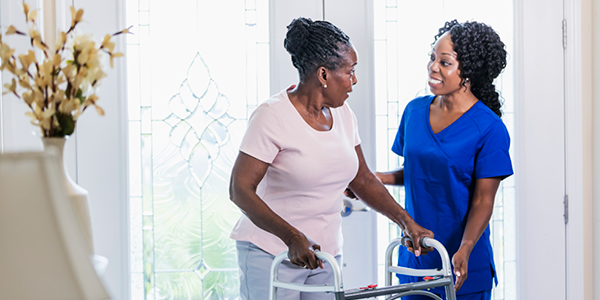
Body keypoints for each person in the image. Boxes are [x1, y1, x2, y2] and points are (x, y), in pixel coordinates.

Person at [229, 17, 433, 300]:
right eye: (351, 71)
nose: (355, 80)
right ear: (323, 75)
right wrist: (291, 236)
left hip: (323, 256)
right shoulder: (271, 116)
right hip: (270, 253)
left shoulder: (343, 114)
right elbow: (239, 190)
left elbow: (362, 179)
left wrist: (405, 221)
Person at [375, 20, 513, 300]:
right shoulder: (414, 111)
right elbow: (420, 171)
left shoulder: (488, 128)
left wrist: (466, 247)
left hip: (462, 262)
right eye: (432, 57)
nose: (433, 67)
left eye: (445, 62)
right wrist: (380, 179)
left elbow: (483, 200)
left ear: (469, 72)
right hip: (417, 257)